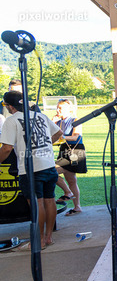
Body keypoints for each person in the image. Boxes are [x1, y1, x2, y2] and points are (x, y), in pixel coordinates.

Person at [0, 91, 62, 248]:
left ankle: (39, 241)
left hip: (30, 168)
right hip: (48, 165)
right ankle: (48, 237)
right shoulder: (40, 116)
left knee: (36, 203)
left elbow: (6, 148)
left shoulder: (11, 120)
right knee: (50, 199)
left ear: (10, 106)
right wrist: (44, 146)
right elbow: (58, 132)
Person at [52, 98, 86, 216]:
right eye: (57, 107)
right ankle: (77, 207)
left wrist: (61, 137)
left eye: (60, 108)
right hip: (64, 150)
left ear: (69, 109)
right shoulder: (57, 122)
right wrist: (52, 122)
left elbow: (75, 137)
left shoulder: (75, 120)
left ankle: (68, 192)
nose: (58, 110)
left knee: (51, 172)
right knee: (71, 180)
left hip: (75, 151)